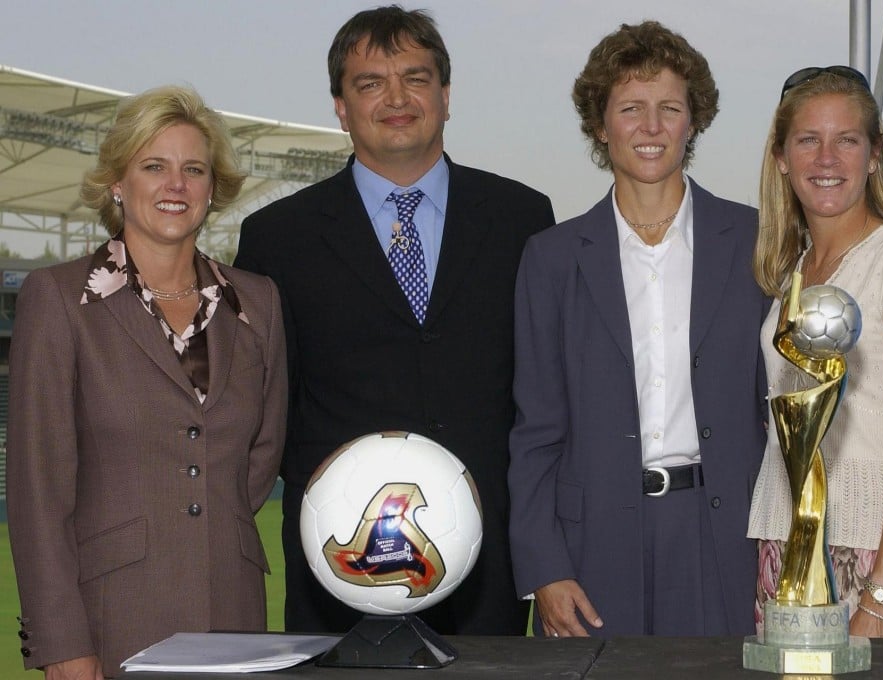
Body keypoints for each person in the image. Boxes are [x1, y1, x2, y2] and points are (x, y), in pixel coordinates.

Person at [233, 6, 554, 637]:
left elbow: (544, 395)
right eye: (370, 83)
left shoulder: (523, 218)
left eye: (416, 77)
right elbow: (262, 405)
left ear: (446, 95)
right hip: (340, 561)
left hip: (485, 562)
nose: (397, 98)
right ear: (340, 106)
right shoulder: (277, 239)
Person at [6, 86, 287, 679]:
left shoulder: (257, 302)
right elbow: (38, 494)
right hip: (115, 621)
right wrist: (61, 646)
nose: (175, 185)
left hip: (236, 616)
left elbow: (259, 458)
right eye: (153, 166)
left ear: (214, 188)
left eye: (193, 169)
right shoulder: (58, 299)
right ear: (117, 182)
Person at [507, 21, 769, 638]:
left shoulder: (757, 243)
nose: (651, 127)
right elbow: (535, 431)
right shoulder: (550, 257)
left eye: (669, 108)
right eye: (631, 108)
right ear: (601, 126)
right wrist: (544, 567)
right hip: (593, 546)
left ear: (693, 122)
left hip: (725, 538)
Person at [747, 66, 883, 639]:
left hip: (874, 565)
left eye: (846, 139)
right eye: (808, 140)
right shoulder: (791, 273)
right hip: (788, 556)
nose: (826, 158)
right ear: (782, 158)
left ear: (873, 155)